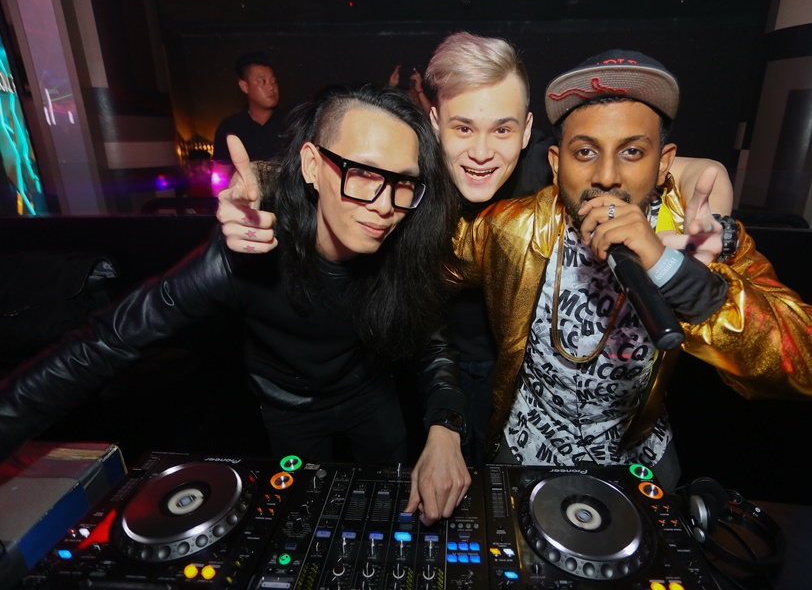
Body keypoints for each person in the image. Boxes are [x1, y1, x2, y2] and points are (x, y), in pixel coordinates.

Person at [216, 35, 735, 472]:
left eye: (502, 129)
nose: (483, 153)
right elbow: (331, 167)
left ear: (527, 131)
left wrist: (710, 207)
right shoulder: (408, 170)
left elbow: (683, 169)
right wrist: (257, 183)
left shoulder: (549, 170)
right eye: (463, 127)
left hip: (511, 366)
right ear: (434, 123)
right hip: (425, 354)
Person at [0, 85, 469, 525]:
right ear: (311, 165)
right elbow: (106, 341)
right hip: (288, 408)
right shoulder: (247, 249)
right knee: (300, 518)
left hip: (370, 393)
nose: (385, 204)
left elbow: (432, 341)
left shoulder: (404, 244)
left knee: (390, 507)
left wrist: (446, 427)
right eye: (362, 173)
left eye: (403, 182)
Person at [447, 49, 812, 489]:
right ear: (556, 164)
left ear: (664, 162)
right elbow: (422, 264)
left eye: (632, 152)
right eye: (585, 152)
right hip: (524, 447)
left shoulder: (700, 236)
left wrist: (680, 275)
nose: (607, 176)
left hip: (639, 460)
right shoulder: (510, 227)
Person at [211, 52, 286, 190]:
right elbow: (220, 177)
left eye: (273, 81)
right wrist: (222, 199)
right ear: (244, 86)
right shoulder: (230, 128)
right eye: (262, 81)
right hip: (245, 201)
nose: (271, 87)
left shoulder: (292, 123)